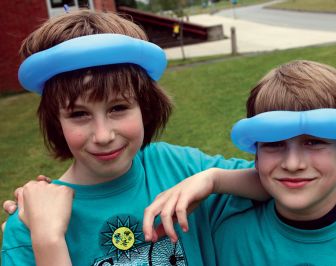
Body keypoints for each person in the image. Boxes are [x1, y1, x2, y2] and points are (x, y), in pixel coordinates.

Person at [1, 10, 264, 266]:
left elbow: (279, 184)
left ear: (145, 107)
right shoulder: (31, 223)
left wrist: (214, 179)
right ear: (56, 122)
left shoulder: (178, 167)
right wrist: (48, 240)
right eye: (79, 114)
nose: (103, 135)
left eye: (118, 108)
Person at [142, 60, 336, 265]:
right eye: (274, 144)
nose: (293, 163)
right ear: (255, 154)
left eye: (313, 142)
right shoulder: (231, 238)